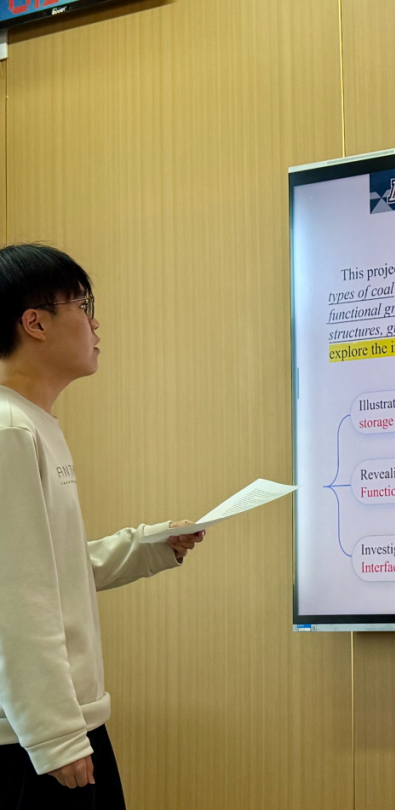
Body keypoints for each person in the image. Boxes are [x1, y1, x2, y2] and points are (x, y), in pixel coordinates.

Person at [0, 243, 204, 809]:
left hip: (65, 720)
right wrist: (56, 737)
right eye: (82, 306)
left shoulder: (33, 424)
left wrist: (149, 546)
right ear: (35, 323)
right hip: (34, 739)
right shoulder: (9, 430)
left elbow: (53, 569)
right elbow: (16, 599)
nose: (95, 324)